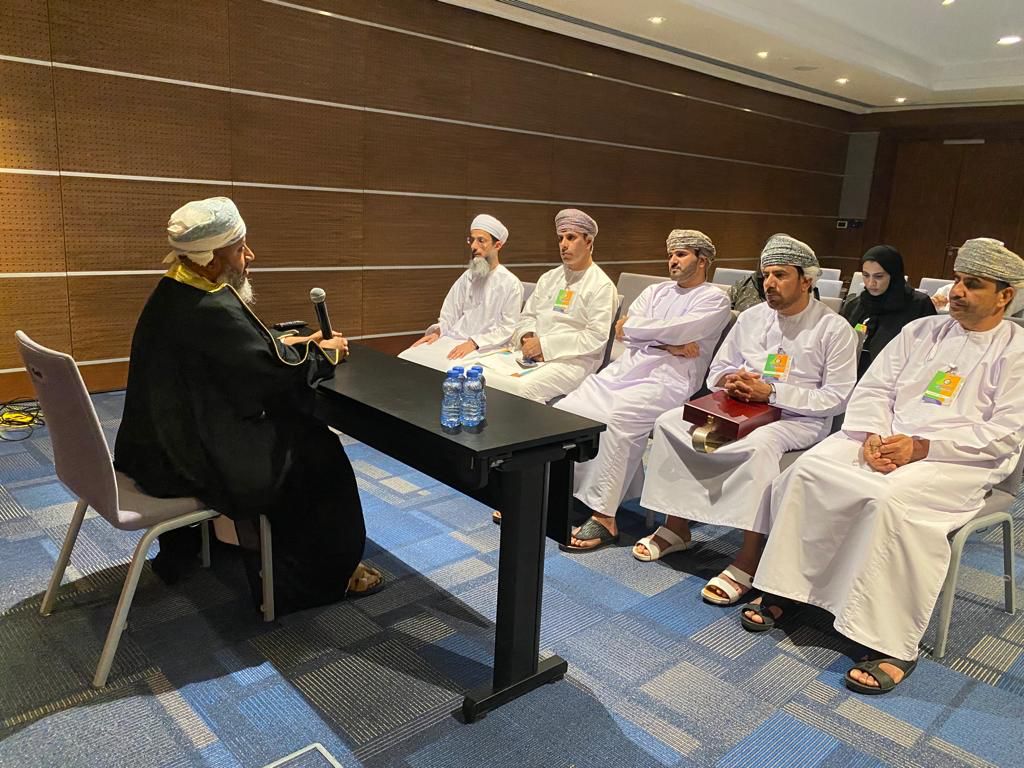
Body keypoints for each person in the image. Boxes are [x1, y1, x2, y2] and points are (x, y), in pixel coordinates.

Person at [743, 237, 1024, 694]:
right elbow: (874, 388)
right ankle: (789, 589)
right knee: (808, 471)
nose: (956, 292)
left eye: (972, 284)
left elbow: (1006, 434)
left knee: (889, 499)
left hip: (961, 459)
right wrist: (874, 434)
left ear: (1004, 295)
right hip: (885, 436)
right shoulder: (921, 331)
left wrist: (922, 447)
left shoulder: (1017, 350)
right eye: (957, 280)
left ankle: (890, 641)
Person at [114, 197, 380, 615]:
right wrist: (324, 353)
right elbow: (276, 375)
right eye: (239, 249)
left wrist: (288, 343)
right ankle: (318, 580)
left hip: (158, 450)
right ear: (210, 259)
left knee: (298, 438)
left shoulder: (175, 290)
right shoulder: (209, 306)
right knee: (317, 451)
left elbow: (238, 354)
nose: (249, 256)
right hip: (188, 463)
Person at [636, 234, 858, 604]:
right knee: (670, 424)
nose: (769, 283)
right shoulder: (752, 318)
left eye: (780, 275)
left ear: (807, 280)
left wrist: (772, 393)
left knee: (758, 447)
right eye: (765, 275)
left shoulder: (834, 329)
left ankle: (749, 557)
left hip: (796, 418)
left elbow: (837, 398)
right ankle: (676, 527)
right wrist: (732, 381)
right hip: (738, 408)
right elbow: (717, 370)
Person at [553, 230, 732, 551]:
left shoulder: (714, 298)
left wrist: (649, 335)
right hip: (625, 370)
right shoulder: (655, 291)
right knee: (568, 408)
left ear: (703, 260)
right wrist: (669, 344)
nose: (673, 261)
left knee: (617, 420)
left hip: (668, 381)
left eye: (681, 255)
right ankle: (559, 491)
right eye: (670, 255)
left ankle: (605, 516)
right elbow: (624, 332)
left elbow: (671, 330)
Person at [482, 208, 616, 403]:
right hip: (533, 353)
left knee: (523, 389)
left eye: (571, 238)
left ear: (588, 242)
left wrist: (545, 346)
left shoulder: (601, 285)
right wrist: (527, 338)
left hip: (574, 361)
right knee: (483, 374)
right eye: (560, 239)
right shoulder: (549, 278)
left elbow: (595, 337)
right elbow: (528, 316)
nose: (563, 245)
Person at [398, 214, 522, 371]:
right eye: (472, 240)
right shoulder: (468, 276)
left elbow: (507, 328)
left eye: (481, 240)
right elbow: (450, 313)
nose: (474, 246)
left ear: (497, 245)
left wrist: (474, 343)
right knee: (408, 356)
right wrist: (438, 332)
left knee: (447, 368)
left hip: (485, 346)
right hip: (453, 338)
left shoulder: (511, 283)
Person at [841, 245, 935, 377]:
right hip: (852, 376)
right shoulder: (856, 305)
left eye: (879, 276)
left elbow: (927, 353)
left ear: (894, 275)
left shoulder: (918, 305)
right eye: (866, 276)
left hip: (896, 379)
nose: (871, 283)